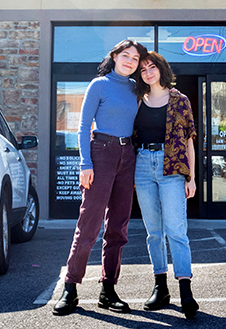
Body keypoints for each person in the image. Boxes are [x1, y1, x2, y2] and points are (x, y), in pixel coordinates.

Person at [53, 39, 147, 316]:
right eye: (126, 55)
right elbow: (83, 126)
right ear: (115, 56)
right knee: (89, 223)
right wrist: (86, 163)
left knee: (118, 226)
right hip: (101, 153)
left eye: (135, 58)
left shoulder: (136, 89)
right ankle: (70, 288)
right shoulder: (99, 85)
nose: (130, 61)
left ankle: (108, 289)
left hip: (127, 155)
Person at [133, 51, 199, 319]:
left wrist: (191, 177)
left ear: (161, 69)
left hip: (171, 166)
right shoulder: (137, 100)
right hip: (142, 165)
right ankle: (160, 288)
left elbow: (189, 141)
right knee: (153, 232)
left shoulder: (179, 100)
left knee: (176, 229)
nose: (148, 73)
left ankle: (185, 290)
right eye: (143, 69)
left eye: (152, 67)